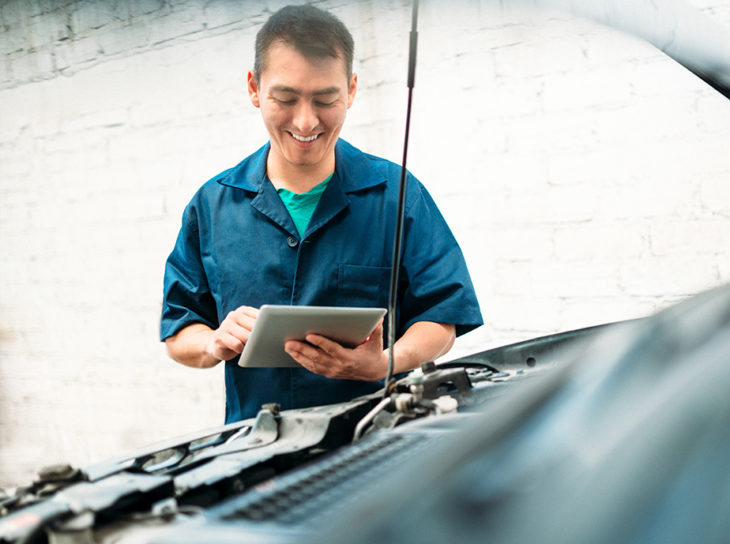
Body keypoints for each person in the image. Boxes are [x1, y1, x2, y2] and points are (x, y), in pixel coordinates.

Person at [160, 4, 483, 423]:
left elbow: (442, 319)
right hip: (255, 452)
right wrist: (213, 343)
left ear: (350, 90)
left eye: (325, 99)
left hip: (374, 443)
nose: (306, 121)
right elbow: (179, 332)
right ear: (255, 88)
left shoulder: (398, 194)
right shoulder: (212, 204)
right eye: (286, 98)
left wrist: (385, 361)